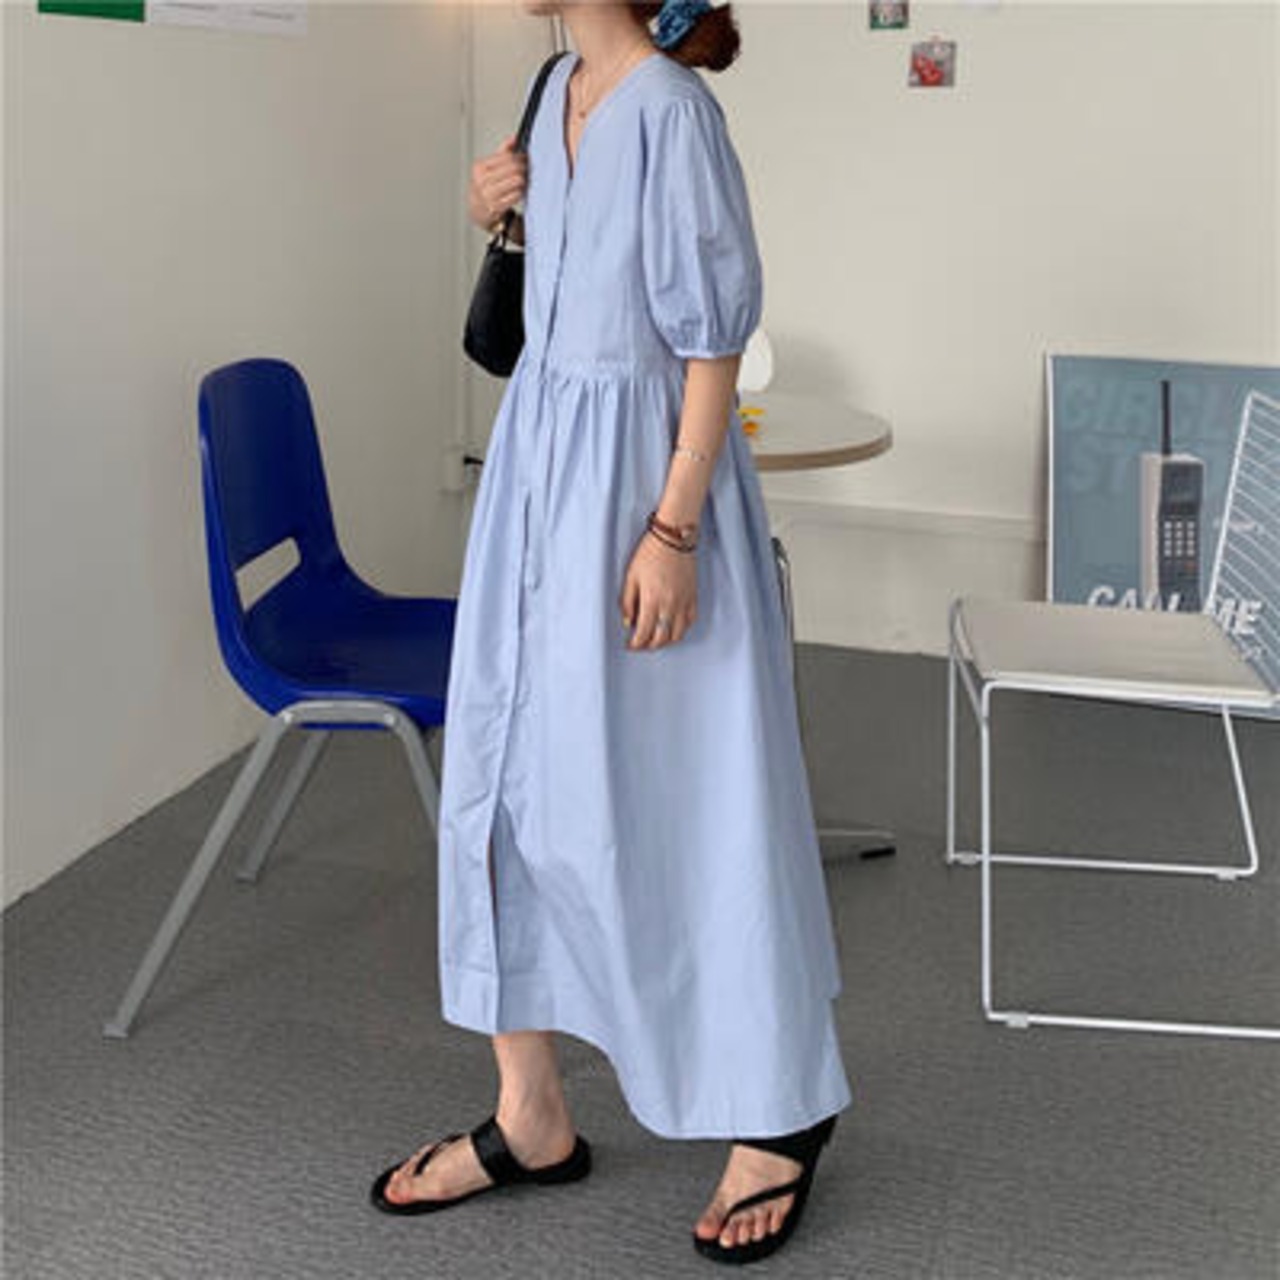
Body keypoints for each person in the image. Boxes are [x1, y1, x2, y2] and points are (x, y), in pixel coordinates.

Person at [370, 0, 853, 1264]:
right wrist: (501, 214)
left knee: (691, 797)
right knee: (504, 779)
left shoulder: (674, 112)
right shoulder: (552, 87)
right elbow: (556, 298)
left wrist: (674, 527)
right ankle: (528, 1107)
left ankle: (777, 1105)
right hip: (537, 475)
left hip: (643, 487)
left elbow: (710, 342)